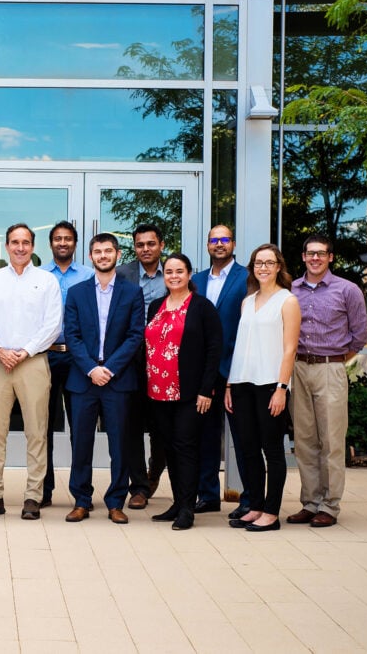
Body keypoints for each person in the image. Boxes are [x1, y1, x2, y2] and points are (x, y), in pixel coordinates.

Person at [0, 223, 62, 520]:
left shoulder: (47, 281)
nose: (20, 247)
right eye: (15, 242)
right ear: (7, 246)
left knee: (36, 432)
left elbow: (52, 325)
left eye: (26, 242)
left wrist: (24, 351)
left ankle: (33, 497)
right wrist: (0, 350)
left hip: (33, 363)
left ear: (33, 246)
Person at [63, 233, 144, 524]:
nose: (103, 256)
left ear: (117, 255)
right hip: (84, 379)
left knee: (119, 445)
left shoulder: (132, 293)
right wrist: (91, 368)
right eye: (97, 251)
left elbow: (135, 335)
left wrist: (109, 368)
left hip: (118, 379)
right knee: (81, 443)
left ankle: (115, 502)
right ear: (90, 256)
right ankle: (81, 501)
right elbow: (71, 336)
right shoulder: (76, 292)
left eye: (108, 251)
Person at [287, 234, 367, 528]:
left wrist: (333, 362)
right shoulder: (292, 289)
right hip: (298, 368)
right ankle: (310, 502)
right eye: (310, 253)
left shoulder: (347, 290)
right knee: (305, 440)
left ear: (331, 257)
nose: (315, 258)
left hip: (330, 369)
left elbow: (359, 336)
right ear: (303, 256)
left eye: (321, 253)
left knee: (331, 440)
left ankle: (330, 506)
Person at [225, 244, 300, 532]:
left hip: (270, 384)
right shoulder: (248, 300)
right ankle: (255, 505)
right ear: (253, 267)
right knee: (247, 449)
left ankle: (271, 512)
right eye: (258, 262)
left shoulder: (287, 301)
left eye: (269, 262)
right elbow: (241, 346)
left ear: (279, 266)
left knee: (272, 450)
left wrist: (282, 388)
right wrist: (230, 383)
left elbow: (290, 349)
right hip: (243, 383)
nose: (264, 267)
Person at [145, 253, 222, 531]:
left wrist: (206, 390)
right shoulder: (155, 305)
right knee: (169, 449)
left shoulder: (203, 307)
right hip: (157, 392)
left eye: (179, 271)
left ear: (190, 274)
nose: (174, 276)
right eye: (169, 272)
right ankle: (177, 502)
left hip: (190, 393)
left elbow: (214, 349)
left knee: (186, 448)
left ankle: (188, 508)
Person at [190, 225, 249, 518]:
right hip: (205, 372)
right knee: (206, 436)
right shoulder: (196, 280)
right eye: (214, 240)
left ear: (233, 244)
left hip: (236, 369)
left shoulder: (246, 278)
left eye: (225, 239)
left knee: (242, 436)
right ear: (207, 245)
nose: (219, 244)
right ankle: (208, 494)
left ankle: (249, 496)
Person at [116, 224, 169, 509]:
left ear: (161, 245)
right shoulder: (123, 274)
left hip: (165, 362)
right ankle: (138, 486)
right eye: (140, 244)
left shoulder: (173, 272)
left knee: (162, 426)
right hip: (131, 360)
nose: (145, 249)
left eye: (151, 244)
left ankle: (154, 471)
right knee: (132, 426)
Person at [41, 221, 93, 508]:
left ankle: (81, 493)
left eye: (68, 239)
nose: (63, 243)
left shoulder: (88, 275)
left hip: (77, 358)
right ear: (51, 243)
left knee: (80, 426)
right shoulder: (39, 276)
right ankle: (44, 489)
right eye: (58, 238)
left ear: (75, 243)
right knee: (43, 425)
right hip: (45, 356)